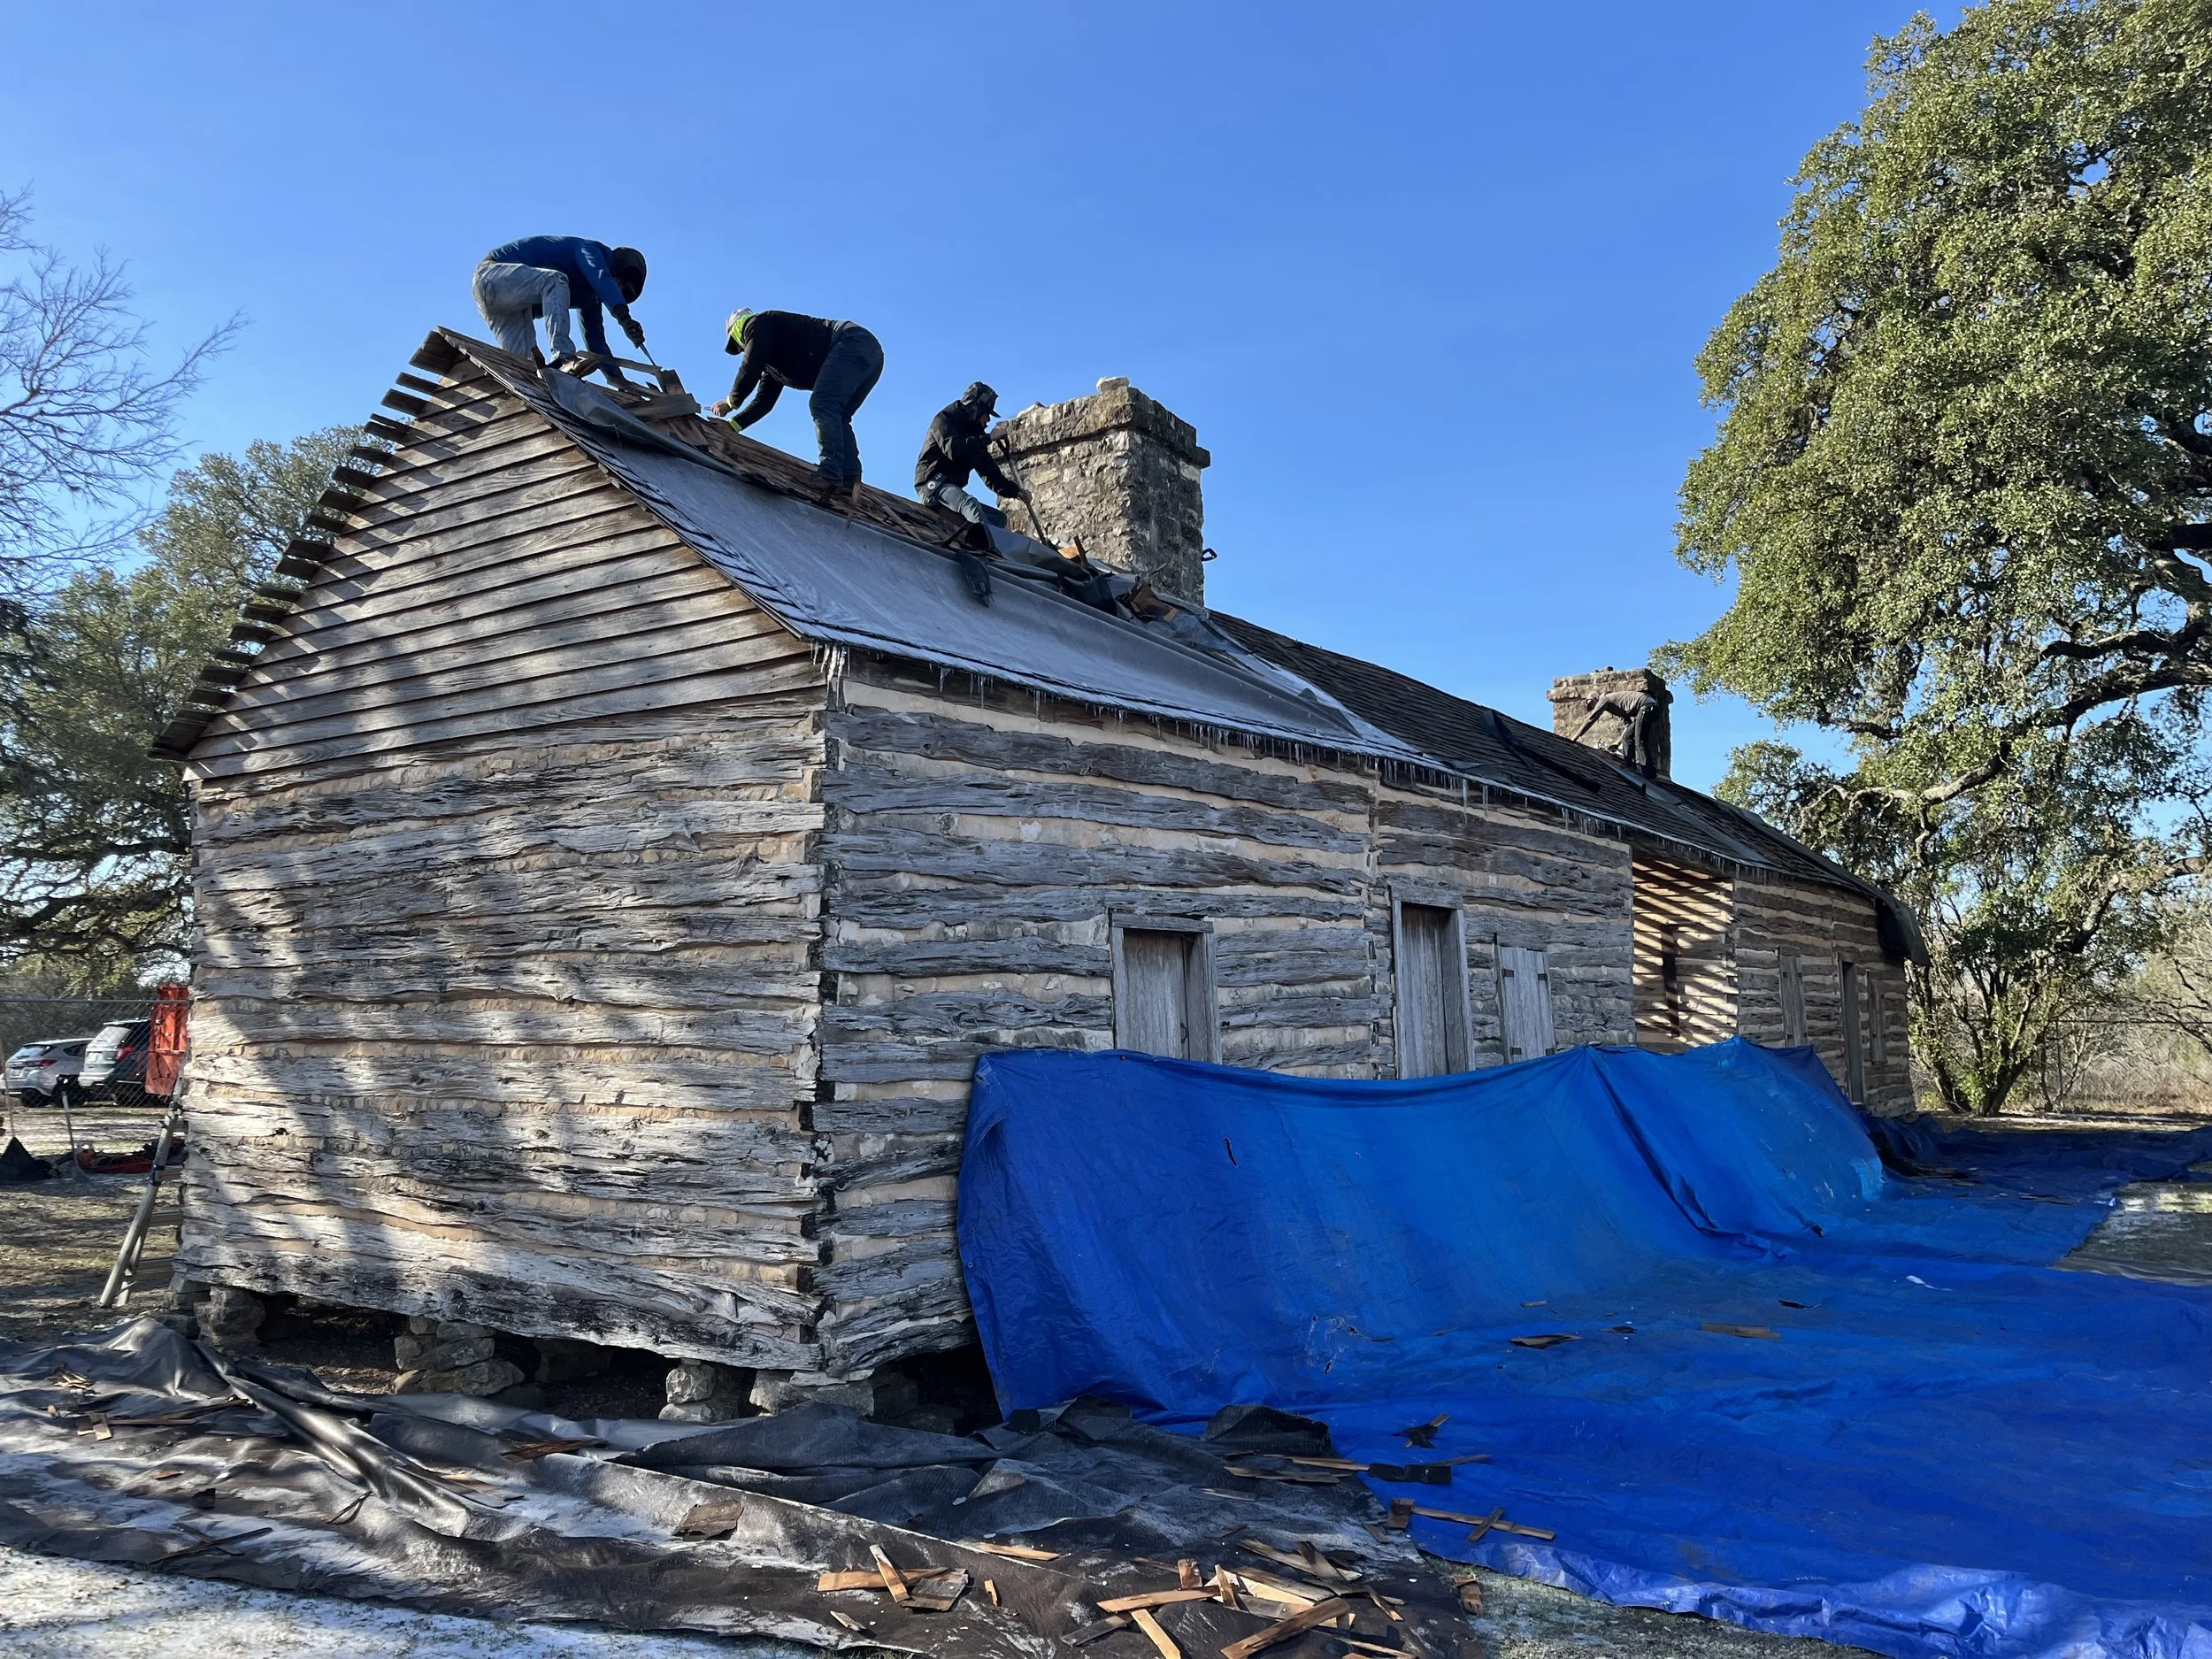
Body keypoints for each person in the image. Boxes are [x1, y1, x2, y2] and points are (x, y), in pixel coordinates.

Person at [710, 310, 884, 496]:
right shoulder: (773, 366)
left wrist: (730, 402)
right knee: (838, 414)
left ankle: (829, 474)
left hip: (851, 342)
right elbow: (764, 402)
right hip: (868, 352)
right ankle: (849, 479)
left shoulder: (757, 323)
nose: (745, 350)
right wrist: (733, 426)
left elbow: (750, 367)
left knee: (823, 404)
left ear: (737, 331)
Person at [472, 236, 648, 380]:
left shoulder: (590, 297)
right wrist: (624, 317)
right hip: (492, 274)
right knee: (555, 281)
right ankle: (563, 356)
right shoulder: (592, 250)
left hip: (509, 305)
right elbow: (600, 276)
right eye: (622, 282)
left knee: (523, 374)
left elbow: (596, 342)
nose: (619, 289)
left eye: (624, 292)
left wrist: (619, 381)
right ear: (617, 268)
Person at [915, 381, 1022, 543]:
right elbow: (955, 450)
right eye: (987, 414)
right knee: (969, 504)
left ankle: (989, 541)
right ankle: (991, 548)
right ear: (976, 408)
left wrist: (1016, 492)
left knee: (998, 519)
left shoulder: (975, 433)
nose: (987, 420)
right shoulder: (945, 419)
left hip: (950, 489)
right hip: (934, 485)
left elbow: (989, 472)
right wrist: (988, 438)